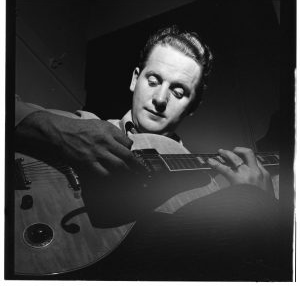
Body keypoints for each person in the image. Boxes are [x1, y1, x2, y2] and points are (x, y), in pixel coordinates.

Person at [14, 26, 281, 280]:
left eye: (179, 91)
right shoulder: (81, 124)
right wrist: (57, 129)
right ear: (135, 79)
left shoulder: (208, 186)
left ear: (192, 107)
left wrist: (256, 203)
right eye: (153, 80)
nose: (161, 98)